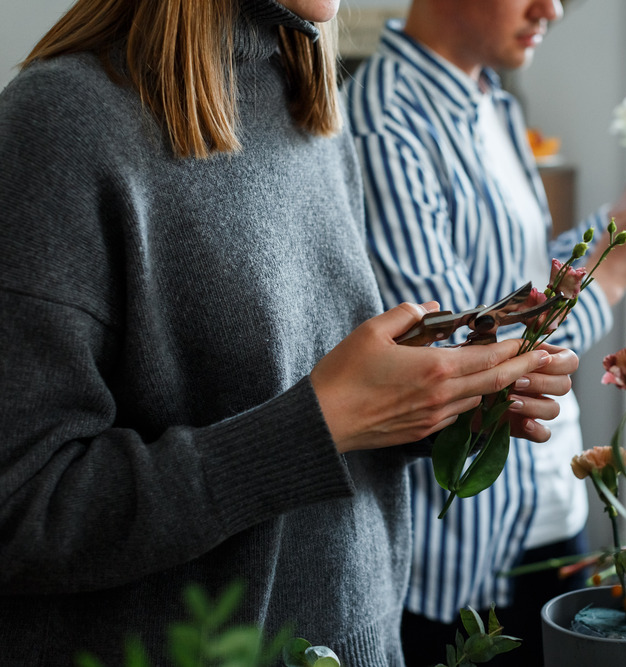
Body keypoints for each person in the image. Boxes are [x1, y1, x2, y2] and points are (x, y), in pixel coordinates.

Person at [0, 0, 580, 664]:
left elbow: (312, 419)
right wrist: (318, 427)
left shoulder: (312, 111)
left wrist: (431, 407)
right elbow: (17, 505)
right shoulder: (60, 122)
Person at [344, 1, 626, 663]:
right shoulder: (384, 123)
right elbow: (454, 363)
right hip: (463, 556)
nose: (554, 7)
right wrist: (617, 271)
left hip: (550, 508)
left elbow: (519, 292)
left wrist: (620, 223)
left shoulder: (496, 103)